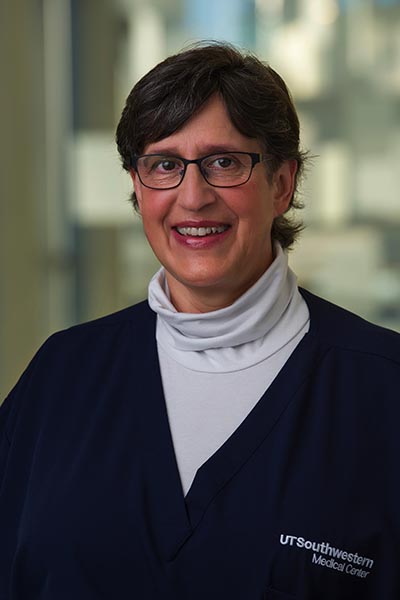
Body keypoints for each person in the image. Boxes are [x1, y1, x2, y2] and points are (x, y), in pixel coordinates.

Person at [0, 42, 399, 600]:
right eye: (164, 165)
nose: (193, 196)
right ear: (138, 190)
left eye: (224, 162)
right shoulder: (60, 377)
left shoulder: (383, 387)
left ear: (281, 184)